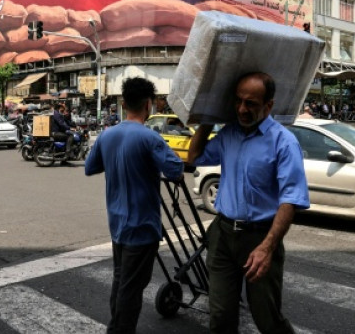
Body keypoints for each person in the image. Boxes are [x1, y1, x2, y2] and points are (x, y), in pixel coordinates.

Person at [189, 72, 309, 333]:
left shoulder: (283, 142)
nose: (242, 109)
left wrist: (267, 248)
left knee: (267, 318)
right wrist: (209, 118)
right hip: (222, 235)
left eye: (251, 104)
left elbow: (291, 199)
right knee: (220, 316)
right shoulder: (229, 133)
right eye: (238, 101)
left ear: (268, 106)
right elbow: (194, 157)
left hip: (260, 237)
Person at [84, 77, 184, 333]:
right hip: (141, 226)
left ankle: (116, 326)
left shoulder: (108, 135)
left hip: (117, 224)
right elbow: (175, 170)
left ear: (124, 103)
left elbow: (90, 167)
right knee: (131, 287)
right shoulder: (149, 138)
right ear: (148, 104)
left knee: (122, 281)